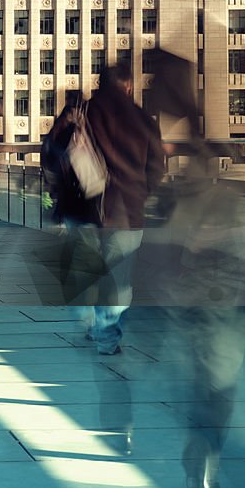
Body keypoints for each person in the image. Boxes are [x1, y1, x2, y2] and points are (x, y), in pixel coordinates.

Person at [56, 63, 164, 356]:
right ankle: (107, 337)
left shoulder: (78, 113)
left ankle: (90, 321)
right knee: (119, 278)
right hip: (126, 210)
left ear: (99, 84)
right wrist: (140, 192)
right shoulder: (143, 119)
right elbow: (156, 167)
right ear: (128, 86)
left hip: (82, 207)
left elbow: (52, 153)